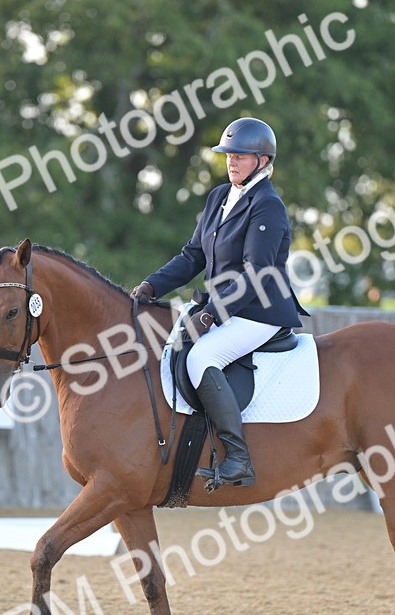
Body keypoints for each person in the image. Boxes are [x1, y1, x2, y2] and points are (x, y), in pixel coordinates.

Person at [130, 117, 308, 490]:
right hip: (227, 306)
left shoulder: (268, 206)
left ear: (261, 161)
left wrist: (211, 314)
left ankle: (238, 458)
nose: (232, 162)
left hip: (259, 311)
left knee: (201, 357)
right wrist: (152, 285)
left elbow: (256, 273)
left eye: (241, 156)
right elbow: (193, 255)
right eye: (229, 155)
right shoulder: (218, 197)